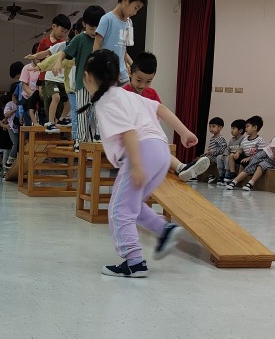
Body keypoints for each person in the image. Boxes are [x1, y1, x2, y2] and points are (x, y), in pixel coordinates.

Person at [82, 50, 198, 278]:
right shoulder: (127, 96)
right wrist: (184, 132)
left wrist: (135, 165)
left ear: (87, 77)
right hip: (161, 153)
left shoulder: (106, 101)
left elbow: (128, 132)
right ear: (119, 76)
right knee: (132, 205)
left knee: (119, 209)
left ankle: (134, 261)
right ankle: (164, 230)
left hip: (142, 153)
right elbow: (160, 108)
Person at [124, 52, 209, 182]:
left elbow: (162, 112)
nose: (142, 85)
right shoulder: (123, 94)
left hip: (149, 136)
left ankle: (181, 167)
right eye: (139, 80)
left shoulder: (151, 94)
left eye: (148, 81)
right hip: (130, 138)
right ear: (130, 73)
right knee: (151, 147)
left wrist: (184, 133)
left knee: (156, 146)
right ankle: (180, 167)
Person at [44, 5, 104, 145]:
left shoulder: (102, 38)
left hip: (99, 83)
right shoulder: (80, 39)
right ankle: (80, 140)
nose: (94, 31)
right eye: (91, 28)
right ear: (84, 24)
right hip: (82, 84)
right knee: (82, 113)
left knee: (100, 110)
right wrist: (58, 62)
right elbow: (64, 53)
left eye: (97, 28)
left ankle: (98, 135)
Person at [226, 116, 275, 190]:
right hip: (264, 154)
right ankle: (234, 182)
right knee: (251, 167)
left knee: (261, 166)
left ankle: (250, 183)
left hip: (272, 160)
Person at [94, 0, 146, 85]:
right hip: (107, 73)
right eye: (135, 8)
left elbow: (123, 49)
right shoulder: (107, 19)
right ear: (125, 0)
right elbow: (96, 45)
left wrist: (133, 65)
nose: (135, 13)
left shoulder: (129, 23)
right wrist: (97, 68)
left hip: (122, 74)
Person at [227, 115, 264, 183]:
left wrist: (249, 158)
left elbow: (260, 153)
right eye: (245, 126)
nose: (245, 128)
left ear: (255, 127)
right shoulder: (245, 139)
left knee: (243, 163)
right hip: (244, 157)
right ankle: (232, 173)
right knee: (231, 155)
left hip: (253, 159)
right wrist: (238, 153)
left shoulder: (259, 140)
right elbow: (241, 149)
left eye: (247, 126)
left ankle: (238, 179)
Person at [216, 118, 245, 184]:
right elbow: (227, 148)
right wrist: (225, 154)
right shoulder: (232, 139)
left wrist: (230, 155)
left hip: (236, 158)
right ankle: (221, 175)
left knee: (229, 158)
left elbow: (242, 149)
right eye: (231, 128)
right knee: (219, 157)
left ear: (240, 130)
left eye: (233, 128)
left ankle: (228, 175)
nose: (231, 130)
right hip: (229, 155)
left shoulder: (243, 139)